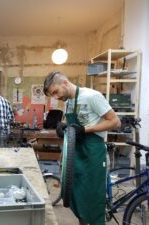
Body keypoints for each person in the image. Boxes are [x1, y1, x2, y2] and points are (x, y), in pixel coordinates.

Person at [43, 71, 121, 225]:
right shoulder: (68, 102)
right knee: (77, 196)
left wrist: (85, 130)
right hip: (76, 153)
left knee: (92, 197)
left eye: (55, 92)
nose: (56, 97)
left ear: (64, 82)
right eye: (53, 95)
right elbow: (72, 123)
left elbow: (115, 121)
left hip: (93, 153)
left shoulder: (92, 96)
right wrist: (63, 127)